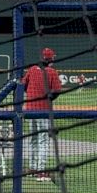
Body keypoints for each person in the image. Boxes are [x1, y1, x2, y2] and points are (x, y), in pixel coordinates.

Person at [21, 47, 63, 182]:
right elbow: (57, 91)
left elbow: (23, 85)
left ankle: (32, 168)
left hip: (29, 110)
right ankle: (41, 171)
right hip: (43, 110)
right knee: (43, 140)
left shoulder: (32, 69)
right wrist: (47, 99)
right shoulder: (52, 72)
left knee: (33, 139)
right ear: (51, 59)